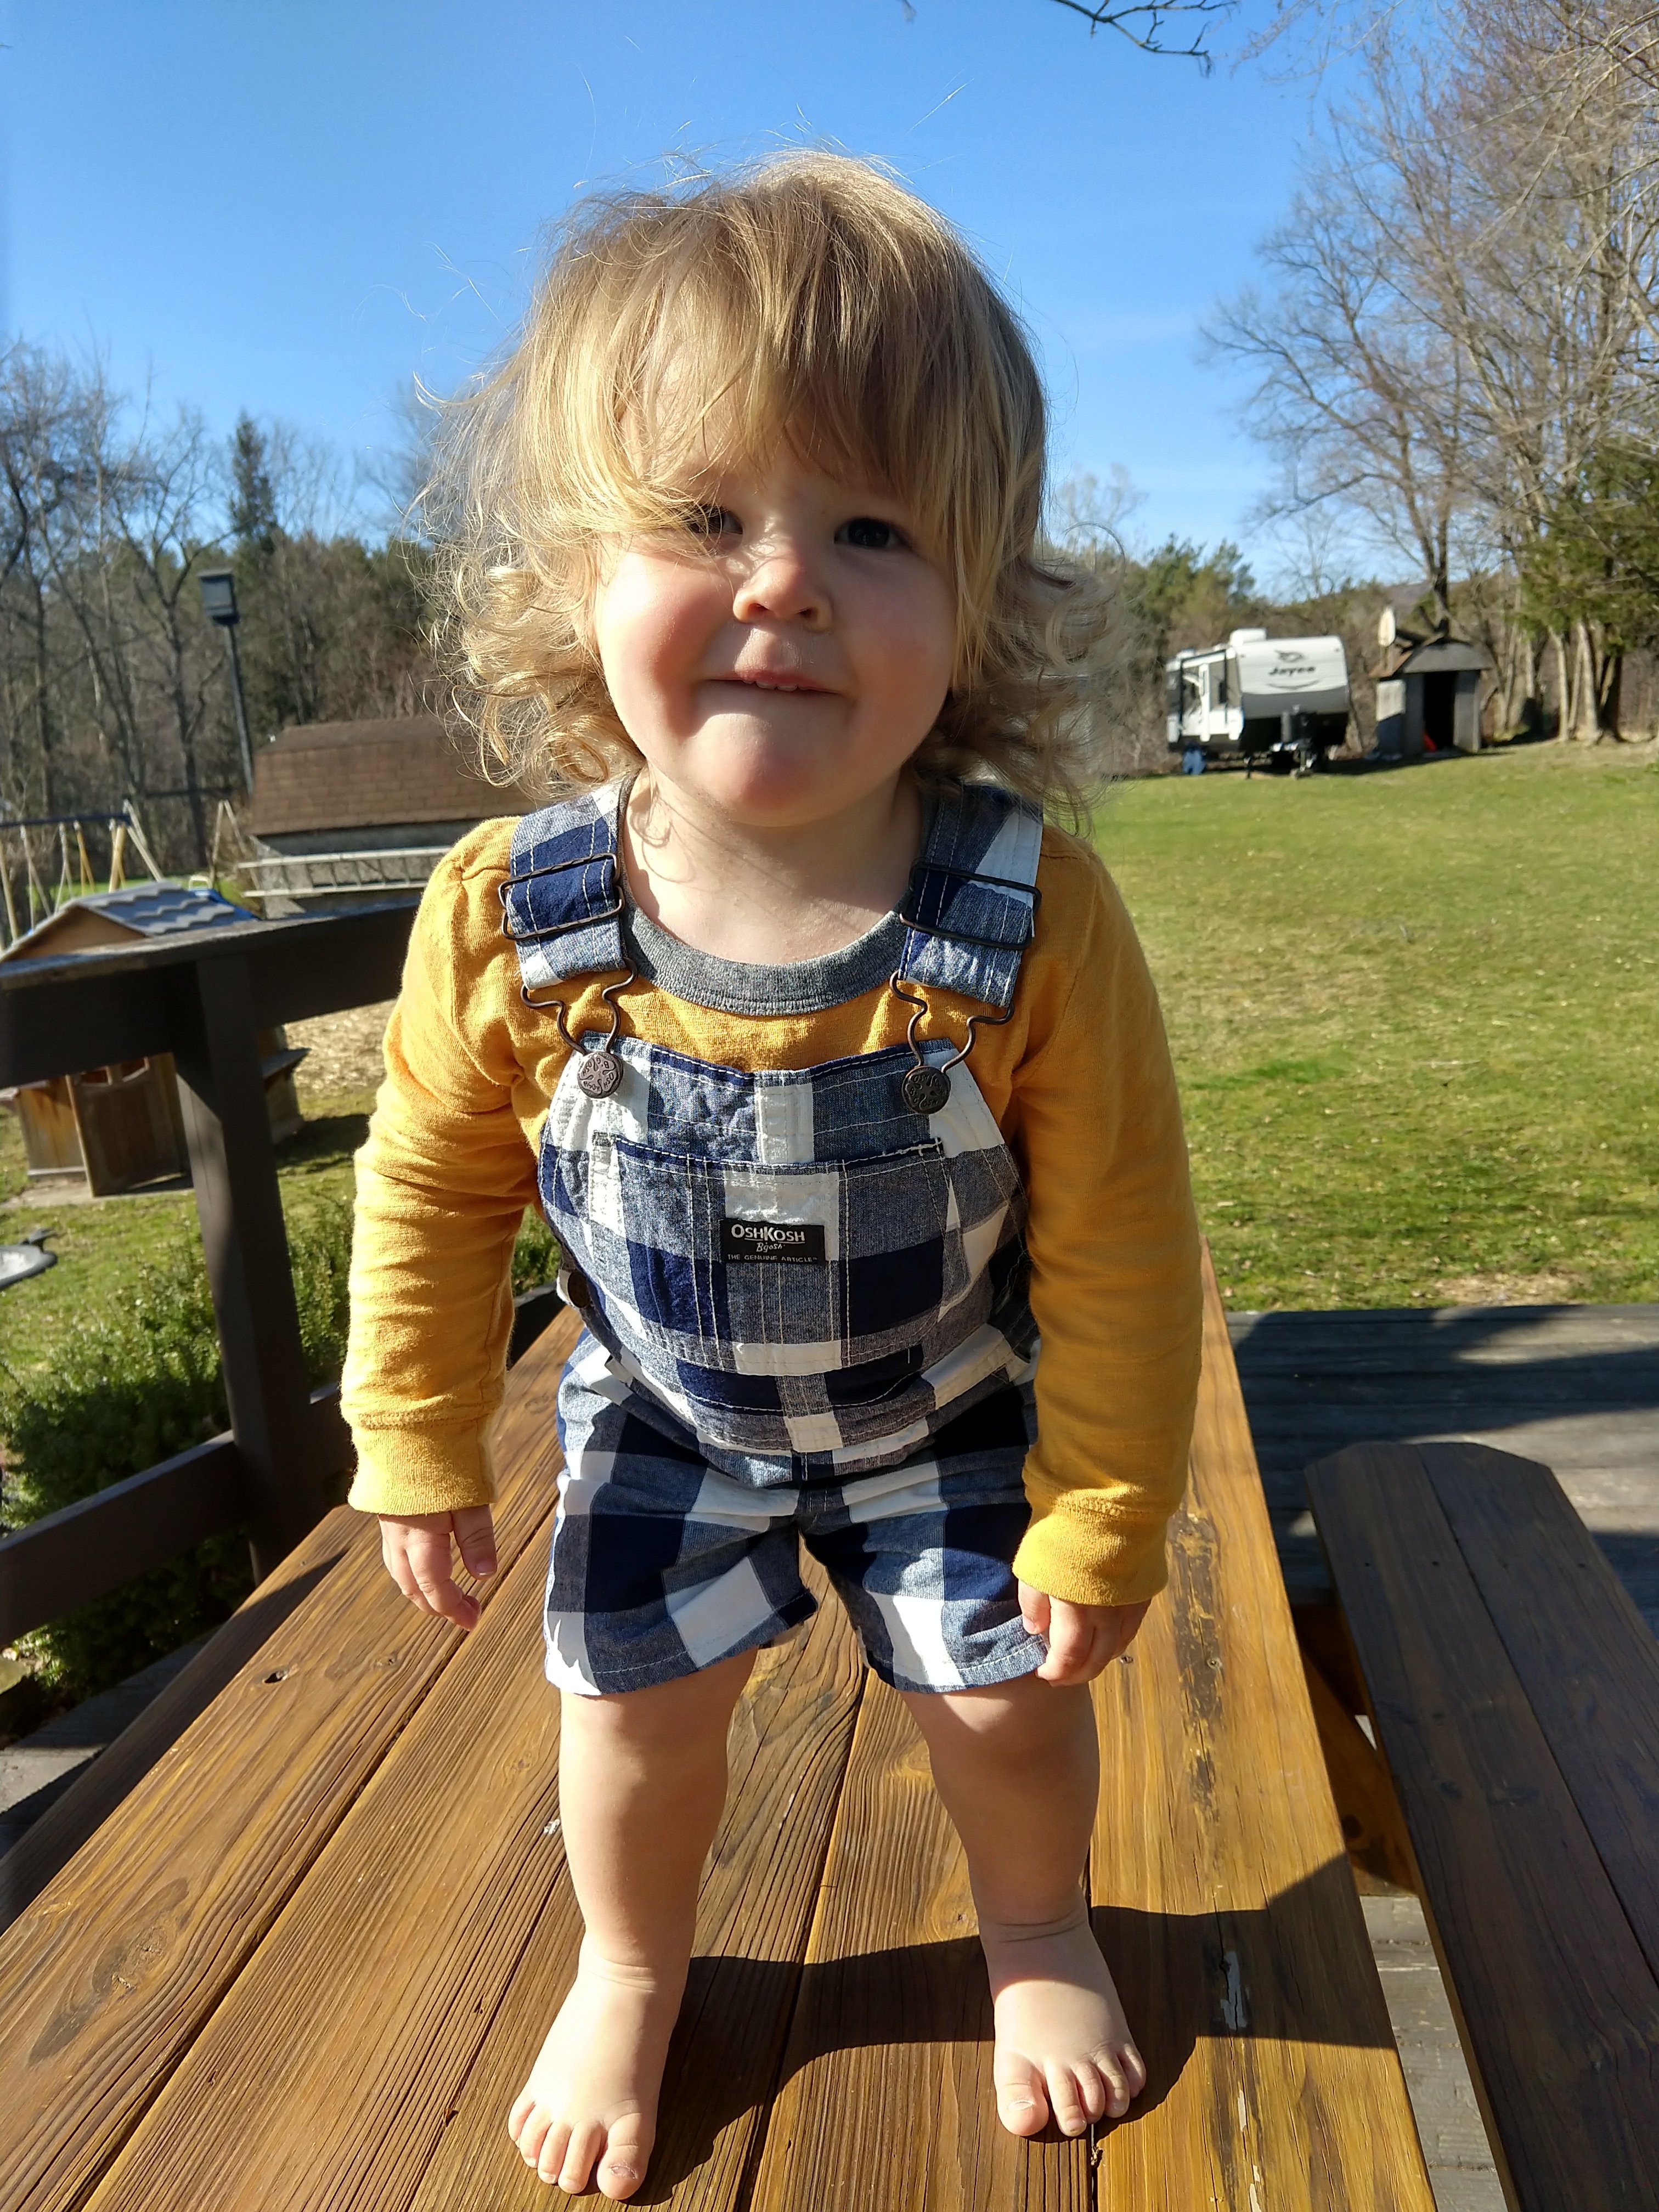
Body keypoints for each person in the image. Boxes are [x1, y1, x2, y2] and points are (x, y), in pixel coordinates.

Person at [343, 154, 1202, 2203]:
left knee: (1006, 1710)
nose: (786, 581)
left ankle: (1035, 1929)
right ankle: (631, 1964)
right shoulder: (518, 914)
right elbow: (431, 1186)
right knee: (633, 1720)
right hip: (667, 1415)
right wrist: (415, 1432)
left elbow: (1121, 1240)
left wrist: (1098, 1507)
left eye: (872, 528)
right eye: (706, 517)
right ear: (575, 574)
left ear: (976, 602)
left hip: (947, 1411)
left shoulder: (1027, 920)